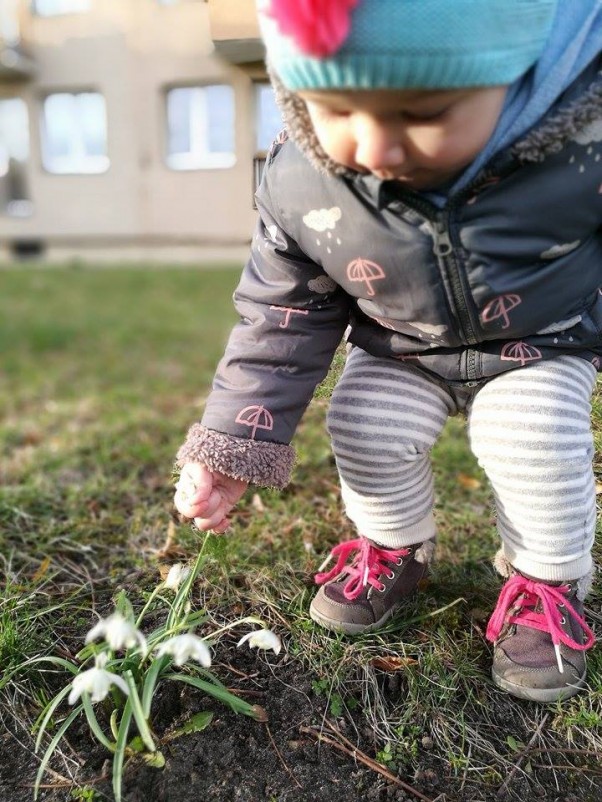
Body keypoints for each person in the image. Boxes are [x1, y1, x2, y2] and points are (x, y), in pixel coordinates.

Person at [174, 0, 602, 703]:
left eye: (423, 112)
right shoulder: (303, 180)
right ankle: (396, 548)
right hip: (402, 347)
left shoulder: (582, 145)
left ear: (517, 76)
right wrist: (229, 442)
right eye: (337, 110)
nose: (374, 148)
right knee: (365, 426)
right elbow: (281, 315)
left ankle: (548, 582)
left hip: (541, 340)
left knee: (532, 440)